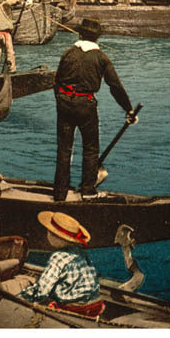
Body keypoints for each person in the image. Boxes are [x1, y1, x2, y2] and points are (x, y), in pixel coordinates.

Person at [52, 18, 136, 202]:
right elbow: (115, 87)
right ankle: (88, 191)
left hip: (64, 103)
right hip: (86, 106)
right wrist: (128, 110)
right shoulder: (101, 58)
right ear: (96, 38)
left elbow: (57, 82)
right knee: (90, 149)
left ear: (80, 34)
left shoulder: (68, 53)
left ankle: (59, 194)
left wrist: (61, 100)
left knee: (64, 149)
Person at [10, 211, 103, 317]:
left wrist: (17, 297)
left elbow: (41, 292)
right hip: (95, 305)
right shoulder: (81, 253)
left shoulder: (58, 257)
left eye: (49, 231)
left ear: (53, 235)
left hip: (76, 309)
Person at [0, 0, 27, 75]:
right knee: (10, 52)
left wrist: (14, 23)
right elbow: (11, 1)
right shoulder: (5, 4)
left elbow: (2, 20)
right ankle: (12, 70)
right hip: (4, 33)